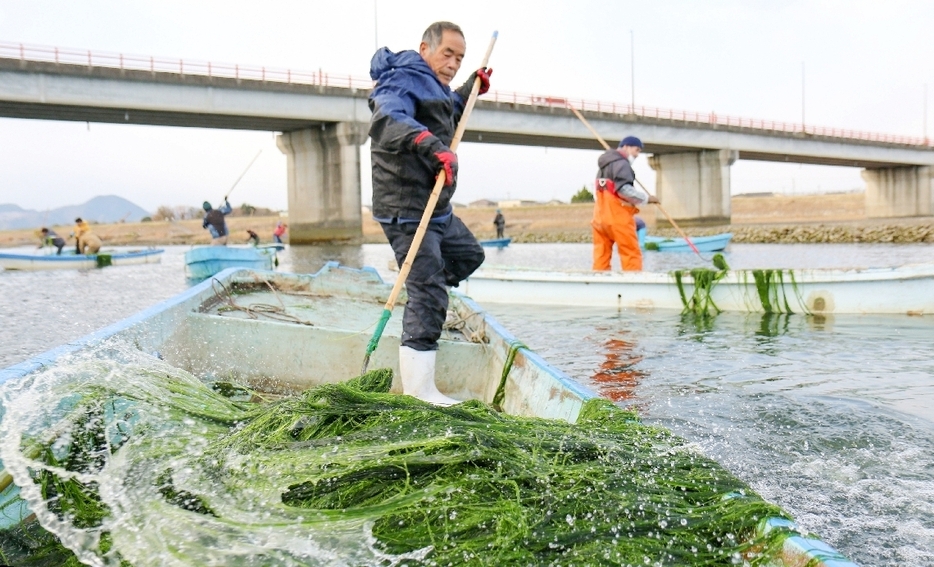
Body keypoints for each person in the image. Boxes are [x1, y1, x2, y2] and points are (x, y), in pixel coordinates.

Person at [369, 21, 492, 405]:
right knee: (428, 294)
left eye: (460, 58)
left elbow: (444, 109)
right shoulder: (402, 78)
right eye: (447, 54)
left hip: (435, 208)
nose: (453, 63)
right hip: (406, 209)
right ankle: (420, 391)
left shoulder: (434, 84)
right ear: (425, 49)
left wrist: (469, 89)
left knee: (470, 256)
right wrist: (429, 145)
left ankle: (423, 288)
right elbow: (388, 120)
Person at [592, 136, 659, 271]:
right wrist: (647, 198)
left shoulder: (604, 165)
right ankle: (633, 285)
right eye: (637, 150)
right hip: (618, 218)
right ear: (626, 147)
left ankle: (598, 283)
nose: (637, 154)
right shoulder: (622, 164)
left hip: (599, 218)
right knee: (631, 252)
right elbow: (624, 190)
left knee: (601, 255)